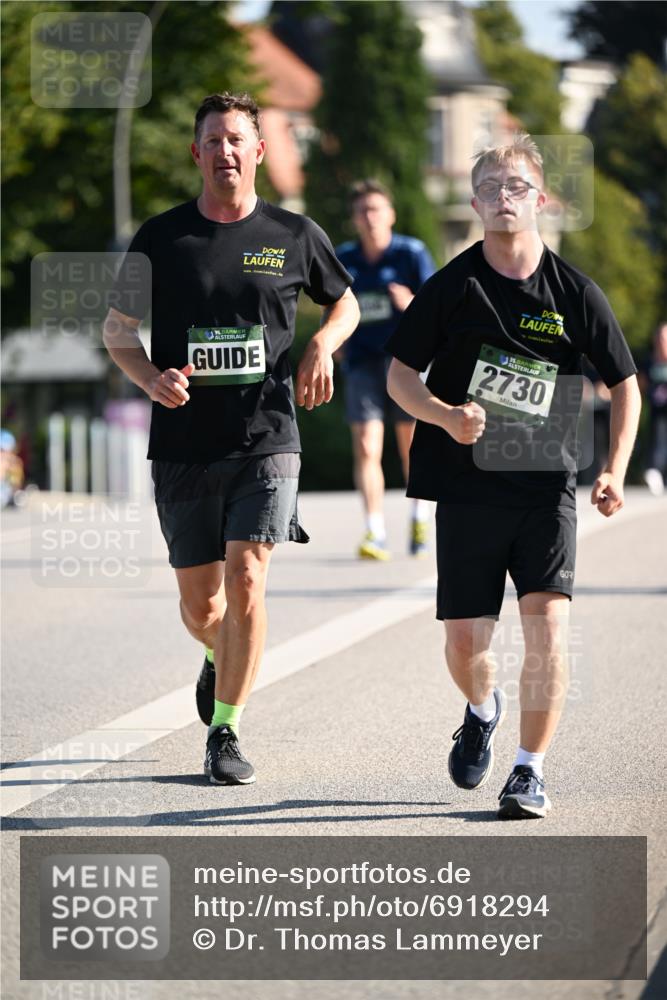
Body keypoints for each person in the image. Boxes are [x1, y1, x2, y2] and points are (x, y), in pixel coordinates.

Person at [104, 92, 358, 786]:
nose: (224, 150)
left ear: (258, 151)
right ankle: (219, 654)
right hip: (185, 445)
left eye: (235, 139)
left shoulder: (294, 233)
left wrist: (322, 348)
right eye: (212, 140)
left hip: (267, 436)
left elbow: (344, 302)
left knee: (248, 578)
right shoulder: (161, 237)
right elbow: (118, 331)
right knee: (203, 607)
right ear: (197, 153)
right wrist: (149, 377)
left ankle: (224, 730)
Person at [387, 134, 640, 819]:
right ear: (474, 203)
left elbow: (625, 384)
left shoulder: (573, 292)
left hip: (544, 488)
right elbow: (399, 377)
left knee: (547, 630)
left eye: (517, 187)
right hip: (467, 488)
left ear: (541, 199)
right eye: (492, 188)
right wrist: (442, 416)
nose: (505, 198)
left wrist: (613, 468)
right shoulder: (453, 287)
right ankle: (480, 707)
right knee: (465, 643)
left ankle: (528, 770)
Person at [336, 180, 436, 560]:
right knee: (365, 446)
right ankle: (374, 530)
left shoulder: (411, 254)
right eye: (363, 211)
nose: (370, 217)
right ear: (354, 219)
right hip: (361, 362)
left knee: (410, 447)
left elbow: (437, 309)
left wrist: (410, 301)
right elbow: (331, 306)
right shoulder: (345, 259)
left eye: (376, 209)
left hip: (405, 364)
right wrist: (335, 341)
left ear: (391, 214)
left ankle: (418, 516)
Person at [640, 321, 667, 496]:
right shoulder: (648, 362)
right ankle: (654, 472)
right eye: (660, 338)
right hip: (657, 411)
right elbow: (640, 384)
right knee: (658, 441)